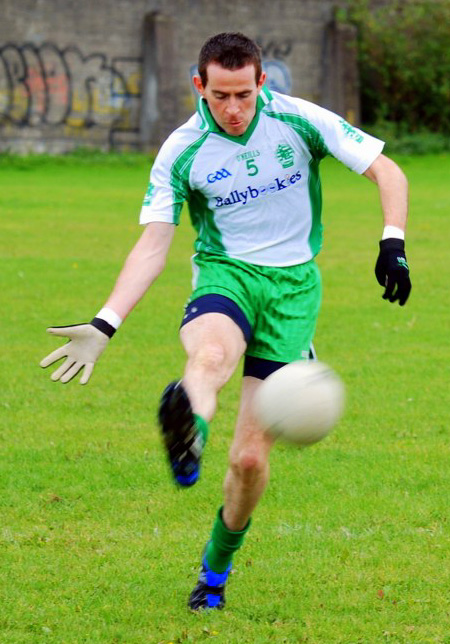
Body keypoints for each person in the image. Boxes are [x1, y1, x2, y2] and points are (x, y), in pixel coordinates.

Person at [40, 32, 412, 611]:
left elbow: (387, 170)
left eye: (244, 94)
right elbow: (153, 246)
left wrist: (393, 241)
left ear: (262, 83)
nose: (234, 110)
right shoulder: (182, 150)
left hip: (293, 290)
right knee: (210, 358)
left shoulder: (298, 120)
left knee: (248, 461)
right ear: (200, 87)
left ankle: (215, 567)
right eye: (221, 97)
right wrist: (105, 322)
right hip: (225, 275)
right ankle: (189, 431)